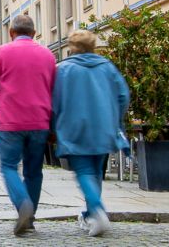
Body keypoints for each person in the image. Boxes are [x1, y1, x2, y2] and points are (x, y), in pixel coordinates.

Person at [0, 14, 56, 236]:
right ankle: (29, 219)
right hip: (40, 122)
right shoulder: (48, 55)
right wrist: (53, 124)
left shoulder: (2, 52)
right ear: (34, 33)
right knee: (34, 172)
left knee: (8, 166)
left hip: (10, 123)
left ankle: (23, 203)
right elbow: (54, 92)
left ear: (11, 32)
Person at [52, 30, 129, 237]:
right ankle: (91, 215)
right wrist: (115, 118)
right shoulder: (107, 67)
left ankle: (97, 210)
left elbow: (55, 102)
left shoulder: (64, 70)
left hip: (75, 128)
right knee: (95, 173)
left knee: (84, 172)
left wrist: (54, 126)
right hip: (104, 127)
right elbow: (123, 95)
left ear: (72, 47)